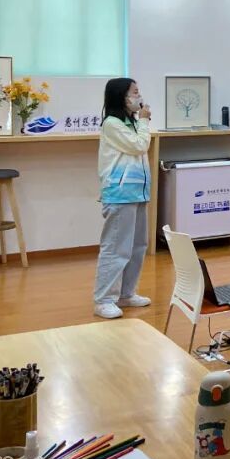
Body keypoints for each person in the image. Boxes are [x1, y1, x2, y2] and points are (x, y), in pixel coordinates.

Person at [93, 78, 153, 319]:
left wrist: (141, 121)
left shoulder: (133, 123)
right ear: (122, 97)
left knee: (137, 247)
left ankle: (126, 294)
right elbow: (139, 146)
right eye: (135, 92)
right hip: (120, 194)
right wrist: (145, 120)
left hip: (138, 192)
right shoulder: (112, 124)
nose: (139, 96)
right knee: (116, 249)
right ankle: (103, 300)